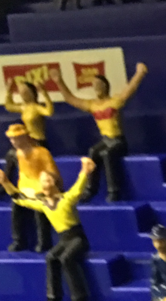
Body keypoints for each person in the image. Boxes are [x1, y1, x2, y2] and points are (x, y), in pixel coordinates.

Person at [0, 157, 94, 301]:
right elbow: (20, 199)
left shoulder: (66, 200)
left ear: (54, 183)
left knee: (66, 259)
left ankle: (79, 297)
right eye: (41, 181)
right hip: (64, 239)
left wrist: (85, 171)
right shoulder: (43, 204)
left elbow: (78, 189)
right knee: (51, 257)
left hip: (77, 238)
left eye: (46, 180)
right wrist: (5, 182)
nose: (43, 184)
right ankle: (53, 297)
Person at [49, 62, 149, 202]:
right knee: (93, 151)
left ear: (106, 86)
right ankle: (90, 189)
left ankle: (113, 191)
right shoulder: (93, 105)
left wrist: (139, 73)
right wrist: (59, 81)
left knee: (107, 154)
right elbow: (70, 99)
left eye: (99, 85)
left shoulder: (114, 102)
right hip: (105, 140)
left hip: (117, 141)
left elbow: (130, 89)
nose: (97, 88)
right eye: (95, 85)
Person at [1, 123, 60, 253]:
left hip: (42, 185)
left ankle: (44, 241)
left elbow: (52, 173)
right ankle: (18, 240)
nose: (14, 142)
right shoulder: (15, 154)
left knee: (40, 206)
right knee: (16, 205)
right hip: (26, 186)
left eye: (17, 138)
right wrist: (22, 189)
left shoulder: (41, 152)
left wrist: (42, 186)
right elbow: (23, 174)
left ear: (25, 137)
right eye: (12, 139)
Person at [2, 79, 54, 184]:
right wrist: (9, 91)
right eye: (21, 92)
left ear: (32, 93)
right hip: (27, 140)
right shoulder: (23, 107)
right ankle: (6, 182)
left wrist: (44, 93)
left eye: (25, 92)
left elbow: (49, 111)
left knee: (24, 155)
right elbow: (9, 106)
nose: (23, 95)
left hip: (38, 141)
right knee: (10, 154)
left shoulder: (37, 108)